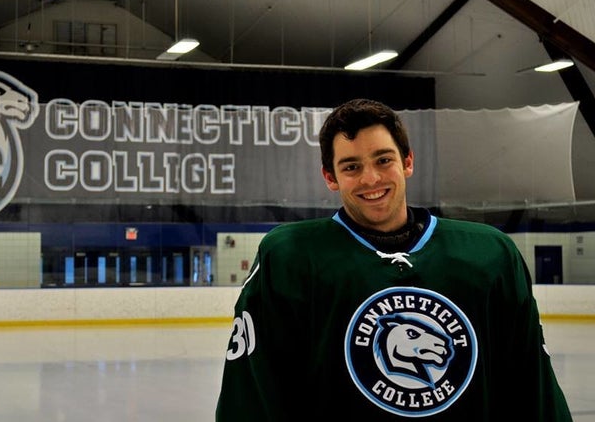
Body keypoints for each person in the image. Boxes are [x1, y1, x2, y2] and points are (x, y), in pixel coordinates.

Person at [215, 98, 572, 420]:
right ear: (330, 178)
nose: (371, 178)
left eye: (383, 160)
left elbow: (530, 382)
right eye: (351, 167)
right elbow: (253, 393)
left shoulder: (490, 255)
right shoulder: (290, 257)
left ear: (408, 162)